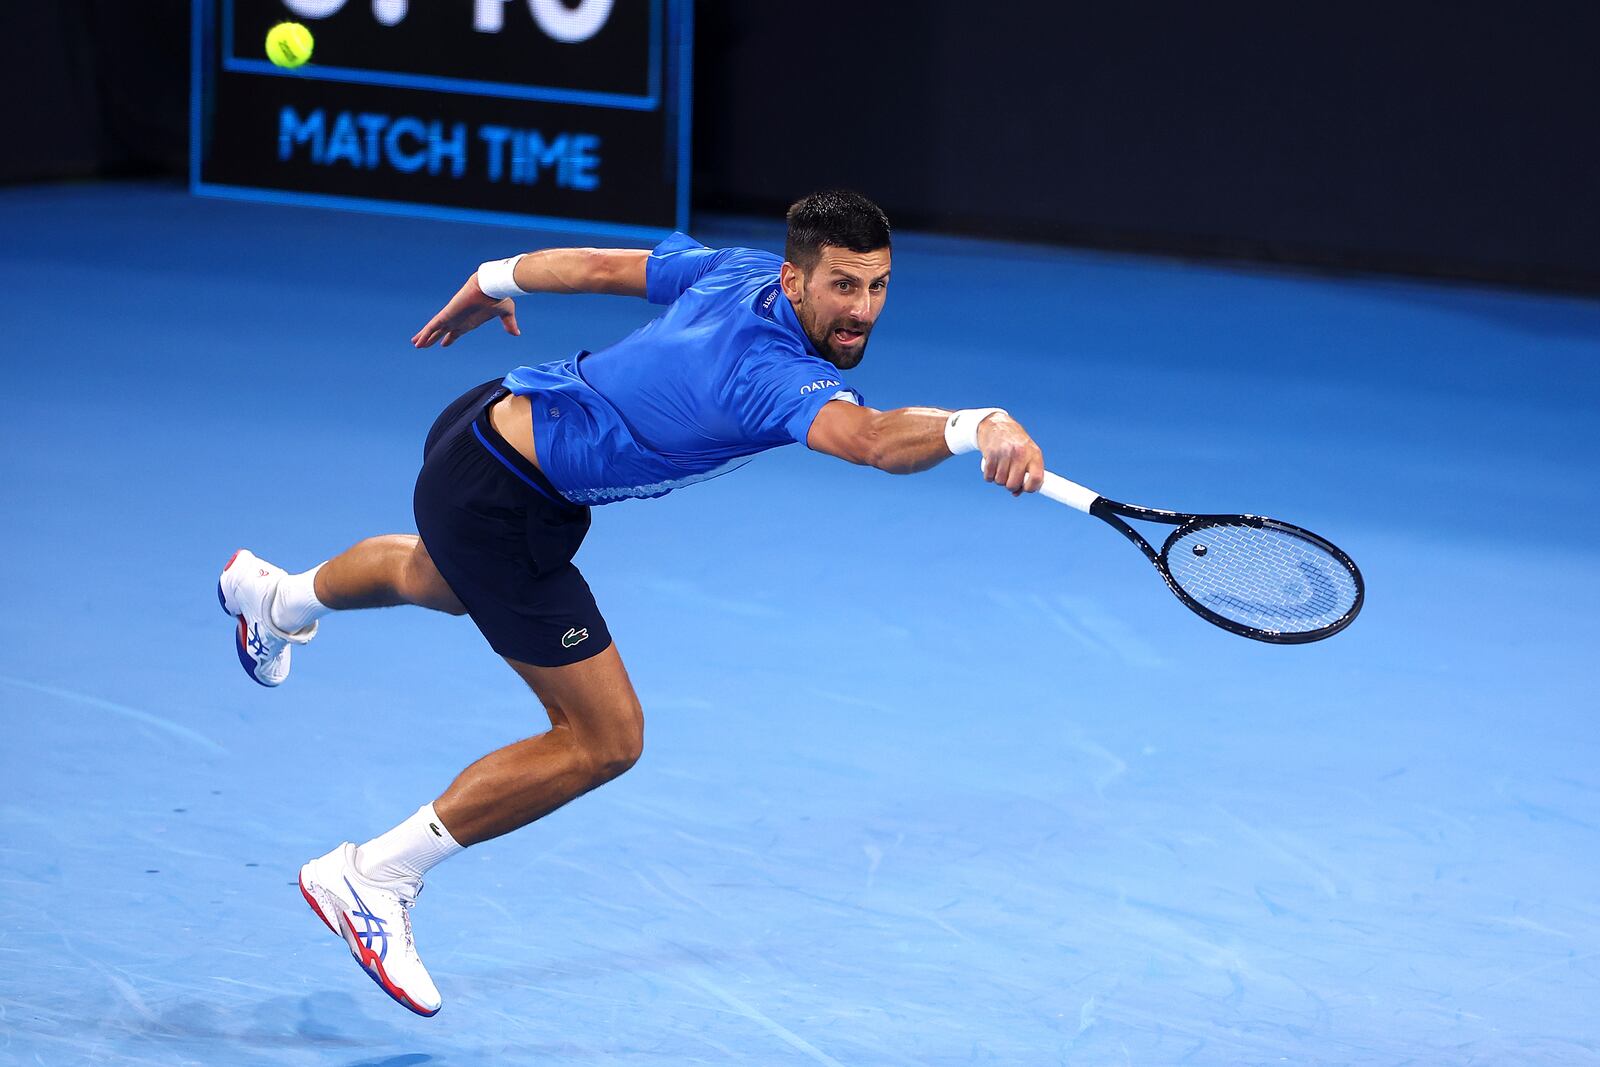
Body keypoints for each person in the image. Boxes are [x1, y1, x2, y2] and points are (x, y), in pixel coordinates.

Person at [216, 190, 1045, 1016]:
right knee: (604, 738)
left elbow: (598, 267)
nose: (862, 309)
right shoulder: (768, 371)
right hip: (506, 502)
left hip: (483, 426)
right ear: (795, 281)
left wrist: (492, 278)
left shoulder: (739, 271)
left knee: (436, 577)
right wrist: (979, 424)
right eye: (843, 287)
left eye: (878, 286)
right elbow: (868, 440)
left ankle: (274, 596)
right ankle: (373, 874)